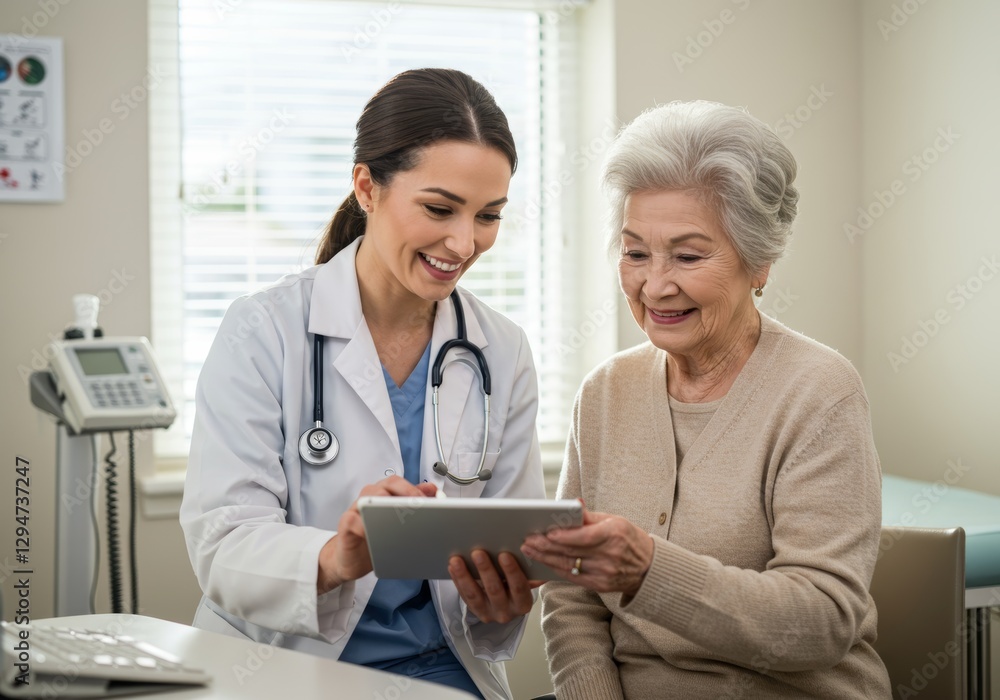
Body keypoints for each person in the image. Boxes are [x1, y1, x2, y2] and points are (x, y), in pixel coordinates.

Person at [180, 68, 545, 700]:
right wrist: (335, 557)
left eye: (488, 216)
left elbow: (511, 547)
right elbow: (223, 544)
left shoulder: (502, 351)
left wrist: (504, 594)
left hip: (443, 675)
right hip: (283, 672)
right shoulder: (263, 331)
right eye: (438, 208)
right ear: (366, 187)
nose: (464, 242)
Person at [522, 101, 892, 699]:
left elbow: (821, 621)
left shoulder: (820, 391)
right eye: (636, 252)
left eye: (689, 256)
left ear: (760, 261)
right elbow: (572, 596)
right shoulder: (604, 394)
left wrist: (649, 571)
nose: (655, 284)